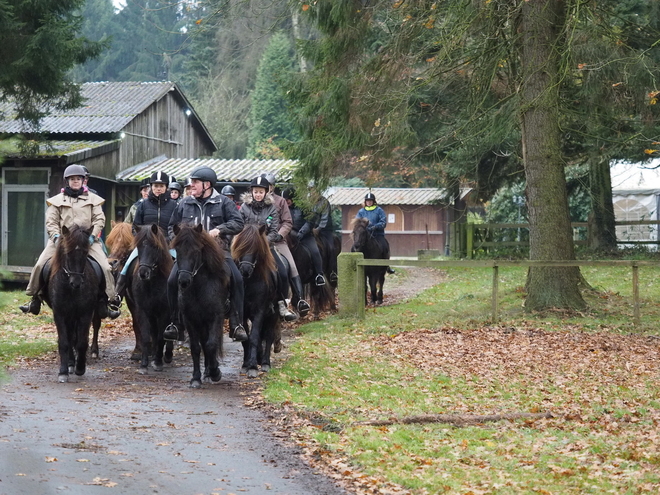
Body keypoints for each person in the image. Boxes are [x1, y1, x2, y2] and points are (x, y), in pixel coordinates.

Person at [19, 164, 121, 319]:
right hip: (61, 241)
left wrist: (92, 236)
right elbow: (51, 221)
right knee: (40, 264)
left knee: (106, 268)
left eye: (78, 179)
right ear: (67, 181)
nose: (75, 181)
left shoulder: (93, 199)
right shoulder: (56, 201)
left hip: (87, 241)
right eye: (72, 179)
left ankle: (108, 300)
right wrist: (56, 237)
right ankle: (35, 298)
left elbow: (99, 219)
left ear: (83, 180)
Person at [166, 166, 247, 342]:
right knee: (172, 281)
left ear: (207, 184)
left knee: (238, 279)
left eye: (195, 182)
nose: (191, 185)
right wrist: (180, 240)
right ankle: (174, 323)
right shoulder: (184, 203)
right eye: (191, 182)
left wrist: (219, 229)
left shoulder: (224, 202)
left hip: (218, 251)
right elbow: (171, 226)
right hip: (190, 254)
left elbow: (238, 223)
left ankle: (236, 323)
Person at [239, 175, 297, 322]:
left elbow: (273, 230)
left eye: (261, 192)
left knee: (283, 272)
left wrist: (263, 241)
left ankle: (282, 304)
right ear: (251, 192)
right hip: (246, 247)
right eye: (256, 192)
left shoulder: (271, 208)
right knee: (232, 270)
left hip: (266, 247)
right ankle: (230, 303)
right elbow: (239, 226)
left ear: (266, 192)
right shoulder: (244, 207)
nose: (258, 194)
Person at [114, 171, 179, 299]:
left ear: (166, 187)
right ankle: (117, 295)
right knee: (127, 265)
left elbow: (177, 226)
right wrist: (142, 238)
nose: (158, 189)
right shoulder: (143, 205)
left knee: (180, 265)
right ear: (151, 187)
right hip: (145, 245)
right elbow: (135, 227)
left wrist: (169, 239)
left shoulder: (174, 206)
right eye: (155, 186)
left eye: (161, 186)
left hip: (168, 245)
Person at [262, 173, 312, 318]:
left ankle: (300, 299)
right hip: (258, 242)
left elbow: (287, 222)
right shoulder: (254, 201)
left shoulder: (280, 201)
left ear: (272, 187)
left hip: (277, 241)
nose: (266, 188)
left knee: (292, 267)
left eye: (268, 186)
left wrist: (280, 234)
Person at [284, 188, 327, 289]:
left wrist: (301, 233)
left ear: (293, 199)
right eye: (284, 201)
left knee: (315, 252)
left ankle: (319, 275)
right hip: (289, 236)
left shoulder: (304, 207)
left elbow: (310, 221)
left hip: (305, 236)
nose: (286, 203)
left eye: (287, 200)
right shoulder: (284, 208)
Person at [356, 192, 394, 274]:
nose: (369, 202)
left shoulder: (379, 210)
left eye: (370, 201)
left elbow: (383, 222)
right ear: (365, 202)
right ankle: (353, 264)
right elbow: (357, 222)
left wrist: (375, 227)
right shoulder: (361, 211)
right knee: (355, 246)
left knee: (384, 246)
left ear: (373, 201)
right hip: (364, 235)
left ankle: (386, 265)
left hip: (377, 235)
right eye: (367, 201)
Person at [308, 184, 338, 284]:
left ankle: (333, 272)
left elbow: (325, 218)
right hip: (311, 229)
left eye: (314, 190)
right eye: (311, 190)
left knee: (331, 248)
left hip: (325, 230)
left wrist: (318, 229)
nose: (313, 192)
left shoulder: (324, 202)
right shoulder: (308, 202)